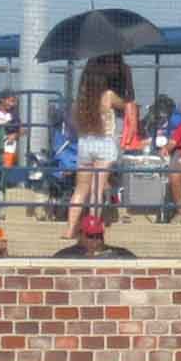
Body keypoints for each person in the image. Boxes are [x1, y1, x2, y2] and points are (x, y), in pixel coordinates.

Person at [61, 61, 127, 242]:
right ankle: (93, 229)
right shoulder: (109, 95)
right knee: (97, 190)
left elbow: (73, 122)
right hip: (104, 142)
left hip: (85, 142)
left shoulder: (81, 99)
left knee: (81, 189)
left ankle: (69, 229)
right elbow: (126, 105)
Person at [52, 213, 136, 259]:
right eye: (90, 236)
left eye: (99, 236)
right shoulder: (65, 256)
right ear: (80, 235)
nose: (96, 240)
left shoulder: (120, 254)